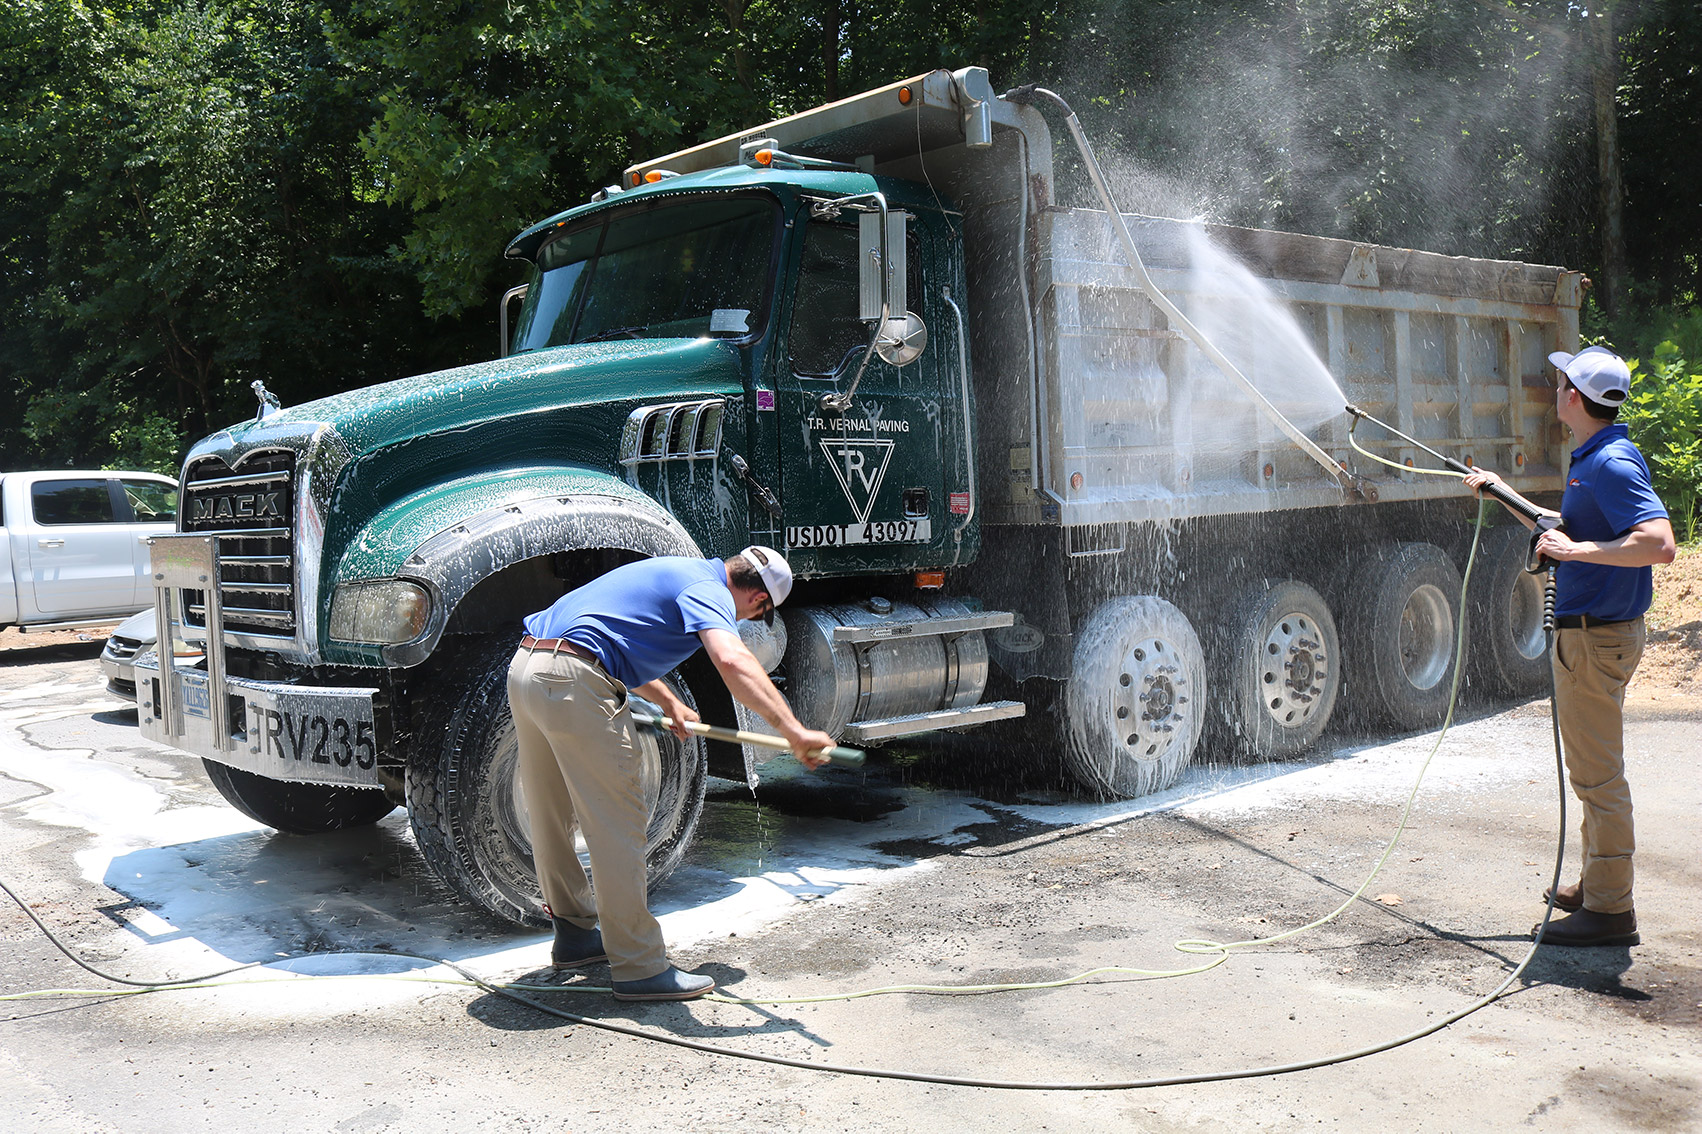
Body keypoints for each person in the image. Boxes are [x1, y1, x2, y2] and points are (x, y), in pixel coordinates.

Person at [508, 545, 836, 1000]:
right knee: (616, 824)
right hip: (572, 681)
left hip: (528, 668)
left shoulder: (678, 571)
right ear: (759, 601)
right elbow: (733, 660)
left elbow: (611, 638)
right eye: (753, 615)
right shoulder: (710, 591)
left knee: (550, 814)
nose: (742, 619)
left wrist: (668, 701)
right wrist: (794, 730)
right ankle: (639, 966)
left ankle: (576, 935)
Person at [1464, 346, 1675, 948]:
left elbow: (1658, 543)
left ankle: (1610, 912)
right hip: (1593, 637)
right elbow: (1571, 528)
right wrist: (1504, 493)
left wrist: (1578, 554)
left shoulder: (1610, 464)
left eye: (1559, 383)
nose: (1554, 390)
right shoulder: (1594, 459)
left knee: (1599, 777)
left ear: (1575, 398)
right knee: (1590, 771)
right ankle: (1596, 882)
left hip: (1595, 638)